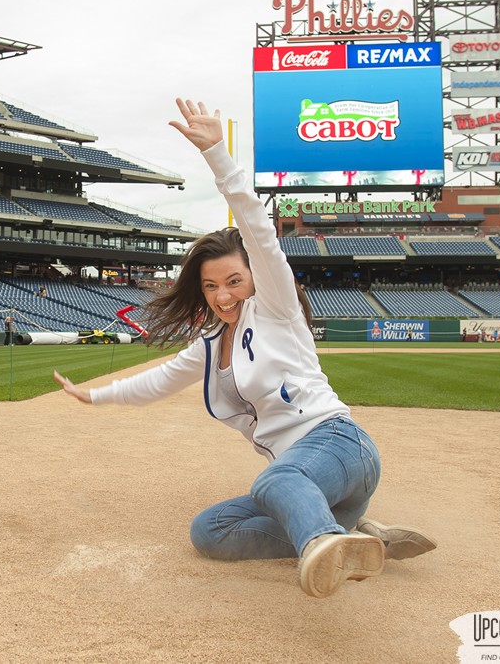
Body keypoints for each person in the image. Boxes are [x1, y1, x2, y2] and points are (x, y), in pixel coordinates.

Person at [54, 99, 436, 599]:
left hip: (340, 448)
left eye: (234, 281)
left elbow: (257, 226)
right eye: (212, 286)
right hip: (311, 486)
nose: (223, 295)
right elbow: (159, 380)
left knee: (272, 482)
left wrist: (216, 153)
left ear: (255, 277)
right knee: (209, 531)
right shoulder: (211, 344)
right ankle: (348, 533)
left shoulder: (275, 307)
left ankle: (322, 542)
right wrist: (96, 396)